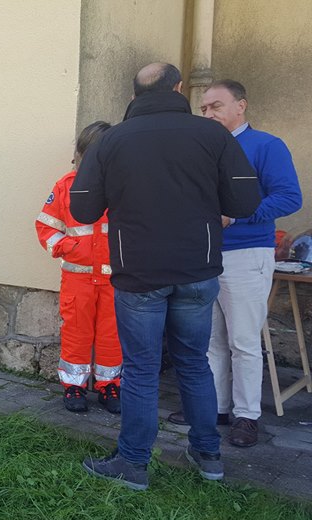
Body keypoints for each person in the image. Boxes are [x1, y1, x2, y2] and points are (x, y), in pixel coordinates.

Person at [70, 63, 261, 490]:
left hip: (138, 274)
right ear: (179, 88)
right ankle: (208, 456)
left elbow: (81, 208)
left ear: (134, 93)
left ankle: (134, 464)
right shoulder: (213, 135)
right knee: (194, 364)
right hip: (198, 270)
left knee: (140, 369)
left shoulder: (113, 139)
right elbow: (246, 200)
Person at [167, 80, 302, 447]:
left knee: (243, 341)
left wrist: (237, 217)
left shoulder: (266, 145)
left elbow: (290, 197)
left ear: (241, 106)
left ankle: (247, 417)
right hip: (203, 254)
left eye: (216, 106)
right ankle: (214, 409)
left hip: (246, 254)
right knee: (210, 339)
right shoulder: (200, 148)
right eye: (204, 108)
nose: (208, 113)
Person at [36, 121, 122, 414]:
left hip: (115, 278)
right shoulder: (65, 187)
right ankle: (74, 387)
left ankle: (109, 386)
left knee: (113, 334)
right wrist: (71, 248)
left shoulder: (126, 185)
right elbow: (46, 228)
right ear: (85, 153)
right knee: (76, 331)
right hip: (78, 278)